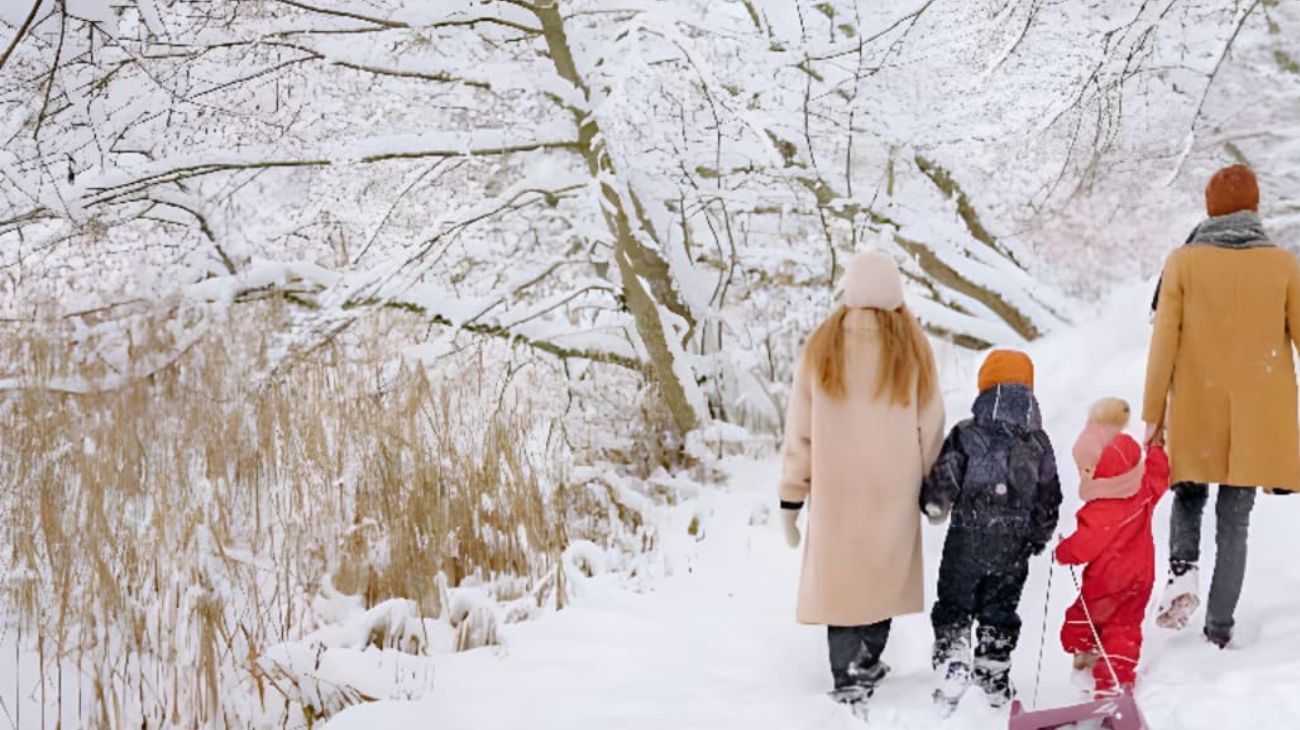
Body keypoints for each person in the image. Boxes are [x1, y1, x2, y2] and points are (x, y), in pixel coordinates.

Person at [777, 250, 945, 717]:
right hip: (894, 488)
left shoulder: (822, 345)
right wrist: (936, 486)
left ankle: (846, 673)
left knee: (845, 583)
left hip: (837, 491)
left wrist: (792, 495)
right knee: (881, 577)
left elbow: (800, 429)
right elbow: (930, 425)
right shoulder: (913, 346)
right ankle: (866, 663)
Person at [1145, 164, 1300, 648]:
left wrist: (1153, 414)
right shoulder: (1283, 265)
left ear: (1209, 208)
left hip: (1197, 403)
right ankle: (1219, 630)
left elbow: (1164, 340)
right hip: (1258, 413)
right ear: (1255, 207)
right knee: (1236, 518)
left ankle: (1182, 570)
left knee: (1188, 493)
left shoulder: (1184, 262)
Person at [921, 349, 1061, 713]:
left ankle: (952, 661)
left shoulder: (967, 432)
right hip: (1012, 546)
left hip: (967, 537)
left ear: (984, 387)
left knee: (955, 601)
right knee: (1000, 608)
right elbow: (1049, 496)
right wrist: (1038, 536)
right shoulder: (1038, 442)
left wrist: (934, 501)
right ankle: (992, 671)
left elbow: (945, 476)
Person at [1056, 398, 1170, 697]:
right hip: (1141, 577)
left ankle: (1091, 664)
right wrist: (1156, 449)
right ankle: (1112, 678)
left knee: (1081, 619)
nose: (1083, 475)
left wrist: (1064, 552)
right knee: (1124, 629)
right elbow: (1159, 475)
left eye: (1086, 470)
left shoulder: (1103, 509)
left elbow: (1084, 546)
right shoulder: (1143, 488)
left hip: (1107, 581)